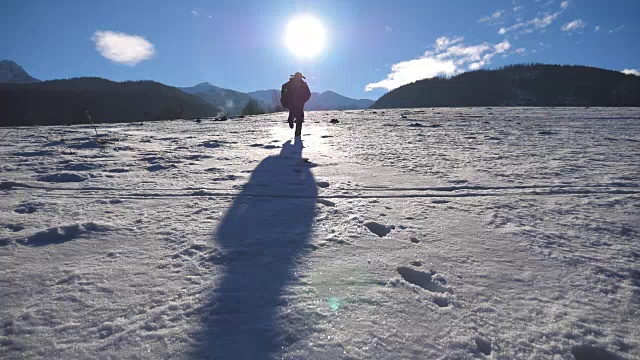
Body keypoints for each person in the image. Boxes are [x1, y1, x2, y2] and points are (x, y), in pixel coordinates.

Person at [281, 72, 311, 137]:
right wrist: (284, 97)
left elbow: (308, 93)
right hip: (293, 102)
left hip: (298, 103)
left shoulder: (303, 84)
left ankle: (297, 134)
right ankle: (291, 121)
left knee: (299, 117)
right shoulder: (292, 83)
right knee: (297, 116)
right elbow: (283, 87)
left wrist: (304, 100)